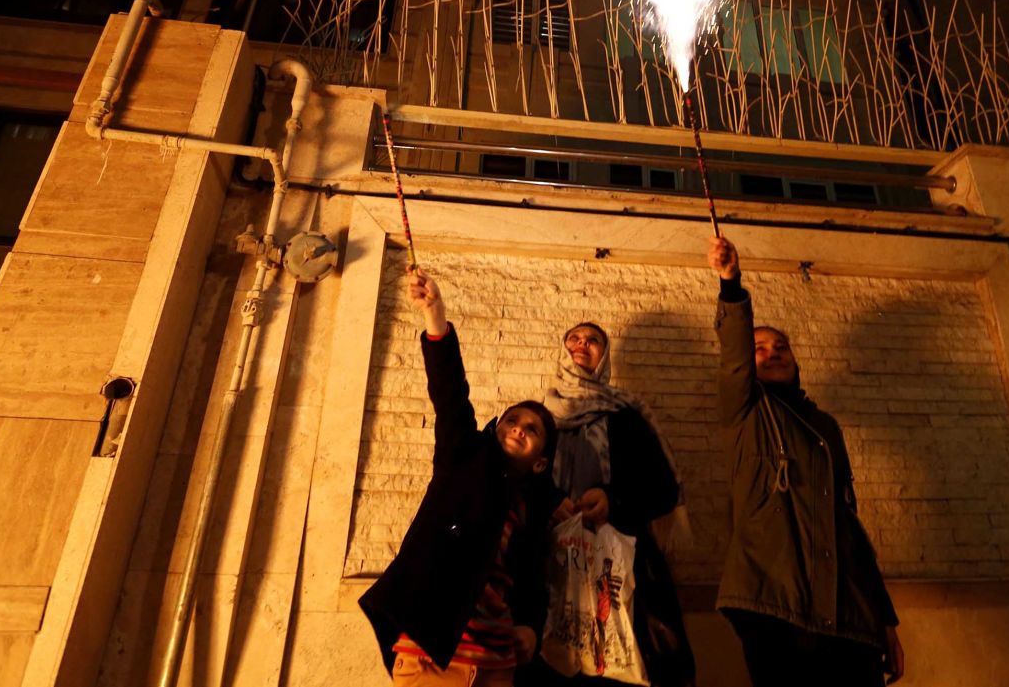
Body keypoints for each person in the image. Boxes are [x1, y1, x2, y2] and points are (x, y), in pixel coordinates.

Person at [707, 237, 905, 686]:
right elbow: (734, 358)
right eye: (760, 347)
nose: (772, 352)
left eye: (782, 347)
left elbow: (847, 523)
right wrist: (731, 285)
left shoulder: (824, 427)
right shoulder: (744, 412)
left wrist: (884, 621)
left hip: (848, 615)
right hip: (774, 604)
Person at [360, 269, 564, 687]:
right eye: (513, 420)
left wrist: (531, 627)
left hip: (496, 662)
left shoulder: (532, 509)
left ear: (541, 461)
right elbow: (450, 392)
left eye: (533, 429)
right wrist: (435, 317)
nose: (519, 428)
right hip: (431, 655)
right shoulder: (463, 457)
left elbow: (532, 579)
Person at [523, 322, 696, 687]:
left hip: (621, 575)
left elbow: (662, 489)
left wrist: (611, 500)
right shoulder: (535, 419)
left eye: (593, 340)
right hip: (546, 572)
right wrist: (550, 504)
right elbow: (516, 485)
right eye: (574, 337)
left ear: (605, 356)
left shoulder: (627, 416)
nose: (582, 344)